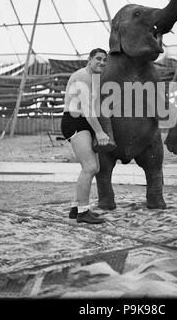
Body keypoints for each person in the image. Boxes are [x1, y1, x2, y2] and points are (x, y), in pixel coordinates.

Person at [61, 48, 109, 224]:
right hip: (74, 122)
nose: (102, 63)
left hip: (84, 122)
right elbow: (87, 110)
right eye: (98, 59)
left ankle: (75, 208)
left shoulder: (94, 77)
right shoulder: (82, 76)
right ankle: (83, 213)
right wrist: (99, 132)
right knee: (89, 167)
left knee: (94, 167)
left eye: (105, 60)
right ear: (89, 59)